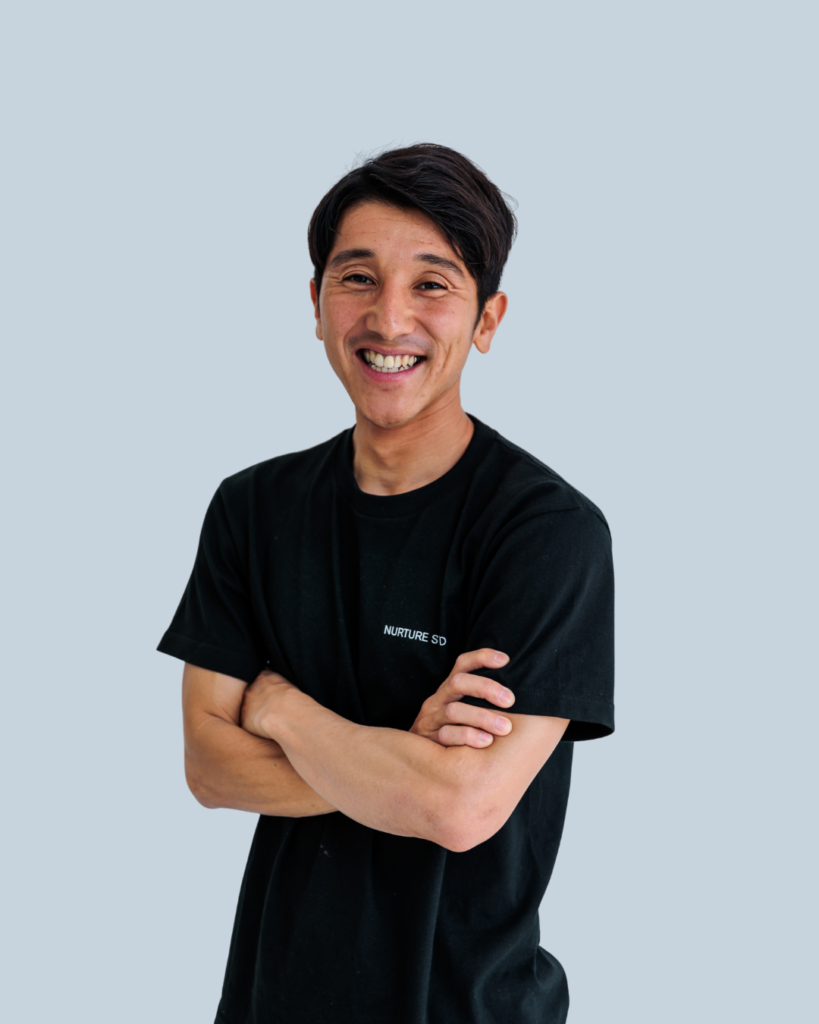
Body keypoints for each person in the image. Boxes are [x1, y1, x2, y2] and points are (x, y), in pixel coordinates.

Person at [158, 143, 615, 1024]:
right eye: (357, 278)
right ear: (316, 303)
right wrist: (402, 754)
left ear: (487, 319)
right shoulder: (250, 508)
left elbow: (458, 805)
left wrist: (280, 711)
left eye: (432, 284)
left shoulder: (546, 533)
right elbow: (208, 768)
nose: (389, 316)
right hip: (269, 1001)